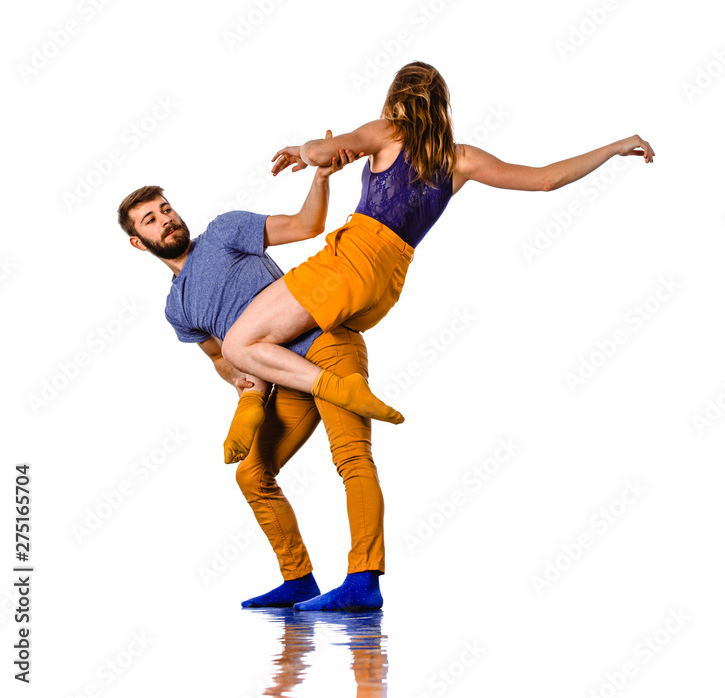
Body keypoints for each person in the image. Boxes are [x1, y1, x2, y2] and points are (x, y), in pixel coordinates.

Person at [220, 61, 655, 462]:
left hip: (349, 264)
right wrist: (615, 147)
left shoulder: (388, 131)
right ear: (442, 107)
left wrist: (309, 147)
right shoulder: (459, 159)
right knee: (287, 340)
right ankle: (298, 400)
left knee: (238, 344)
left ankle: (333, 391)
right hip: (383, 289)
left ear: (395, 100)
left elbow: (318, 154)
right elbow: (545, 180)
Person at [116, 144, 395, 611]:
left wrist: (321, 178)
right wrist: (246, 395)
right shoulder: (176, 309)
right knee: (253, 474)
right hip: (283, 381)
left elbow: (307, 225)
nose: (165, 219)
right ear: (138, 242)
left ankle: (364, 580)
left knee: (350, 456)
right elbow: (222, 361)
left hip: (324, 346)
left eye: (165, 209)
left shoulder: (226, 230)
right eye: (150, 220)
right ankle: (299, 579)